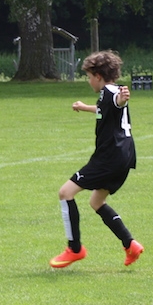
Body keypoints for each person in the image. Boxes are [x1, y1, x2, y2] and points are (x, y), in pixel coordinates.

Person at [49, 51, 143, 269]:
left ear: (98, 76)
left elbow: (117, 102)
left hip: (109, 157)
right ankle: (130, 244)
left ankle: (74, 249)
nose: (88, 80)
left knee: (65, 193)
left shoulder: (111, 93)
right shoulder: (111, 91)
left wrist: (123, 99)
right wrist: (85, 108)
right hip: (125, 155)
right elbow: (106, 108)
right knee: (96, 202)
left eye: (89, 76)